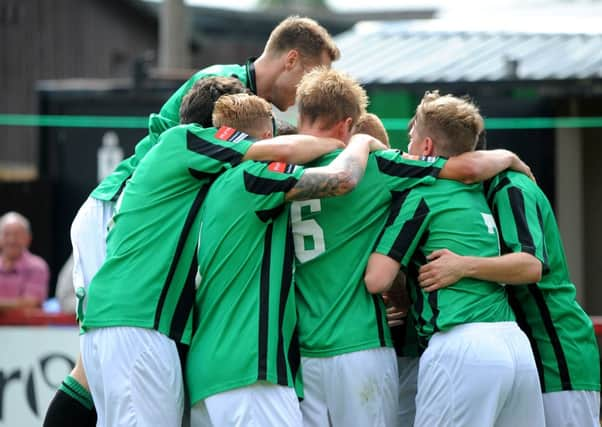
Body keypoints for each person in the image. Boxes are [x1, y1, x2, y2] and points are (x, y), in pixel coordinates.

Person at [78, 76, 345, 426]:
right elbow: (279, 149)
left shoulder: (194, 168)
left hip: (127, 319)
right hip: (138, 320)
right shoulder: (184, 139)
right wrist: (348, 145)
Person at [288, 73, 535, 426]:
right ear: (348, 124)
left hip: (303, 349)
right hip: (364, 342)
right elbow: (467, 167)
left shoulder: (273, 170)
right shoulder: (392, 171)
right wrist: (510, 156)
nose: (407, 146)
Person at [186, 88, 386, 426]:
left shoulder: (211, 186)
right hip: (250, 371)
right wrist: (359, 142)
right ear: (268, 137)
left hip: (206, 374)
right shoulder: (253, 177)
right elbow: (342, 179)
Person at [364, 91, 545, 427]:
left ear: (428, 147)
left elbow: (377, 279)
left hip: (461, 347)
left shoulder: (419, 194)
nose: (408, 145)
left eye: (412, 138)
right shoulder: (481, 190)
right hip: (515, 346)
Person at [417, 161, 601, 426]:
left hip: (558, 355)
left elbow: (531, 265)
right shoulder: (478, 189)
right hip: (523, 356)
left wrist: (462, 266)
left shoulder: (510, 187)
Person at [0, 211, 49, 313]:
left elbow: (30, 304)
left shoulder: (37, 267)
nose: (12, 240)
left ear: (28, 238)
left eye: (17, 235)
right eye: (7, 234)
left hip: (27, 328)